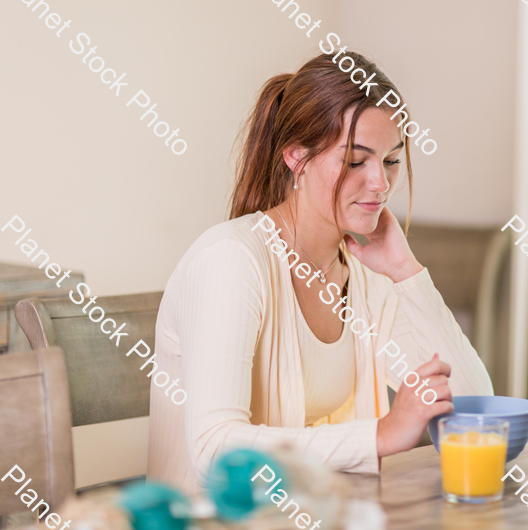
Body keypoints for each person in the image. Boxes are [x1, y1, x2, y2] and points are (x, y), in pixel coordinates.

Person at [146, 52, 493, 494]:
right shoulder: (231, 260)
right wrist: (380, 435)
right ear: (296, 156)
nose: (381, 184)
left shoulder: (365, 278)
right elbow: (215, 450)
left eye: (391, 160)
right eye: (355, 160)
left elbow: (471, 407)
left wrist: (406, 271)